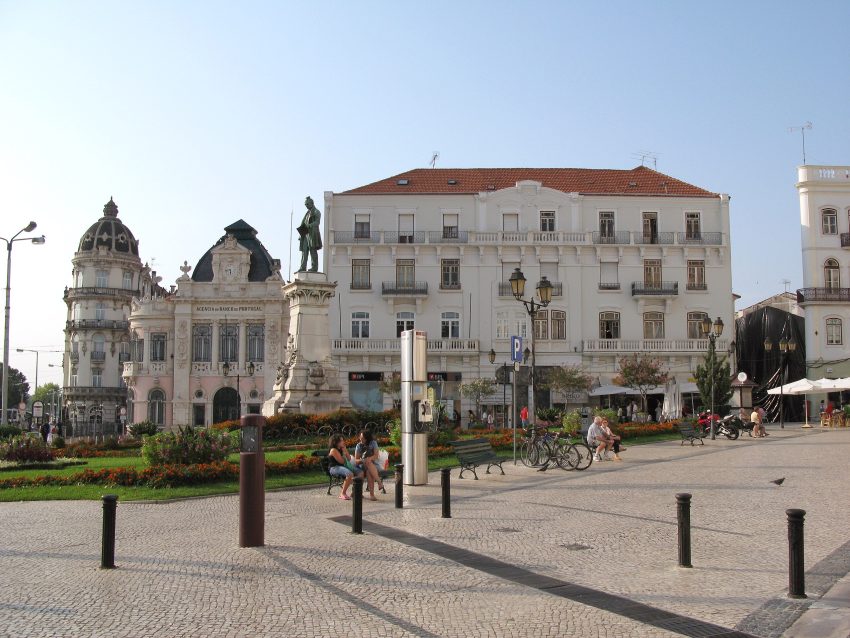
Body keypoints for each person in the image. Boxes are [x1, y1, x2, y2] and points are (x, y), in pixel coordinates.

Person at [327, 434, 362, 501]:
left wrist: (345, 451)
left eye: (343, 440)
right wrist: (343, 453)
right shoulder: (333, 450)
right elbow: (341, 461)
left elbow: (348, 459)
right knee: (350, 474)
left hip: (343, 466)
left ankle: (355, 491)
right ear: (336, 442)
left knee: (360, 472)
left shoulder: (342, 448)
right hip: (334, 468)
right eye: (341, 441)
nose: (343, 442)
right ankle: (342, 493)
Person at [354, 430, 381, 500]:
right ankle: (379, 482)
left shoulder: (373, 443)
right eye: (360, 437)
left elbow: (376, 456)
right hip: (362, 465)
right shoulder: (359, 446)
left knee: (369, 470)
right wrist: (363, 460)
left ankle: (372, 495)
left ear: (367, 438)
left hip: (373, 465)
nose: (361, 439)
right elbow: (356, 460)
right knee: (367, 463)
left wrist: (369, 458)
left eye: (362, 438)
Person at [297, 196, 322, 272]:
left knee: (313, 251)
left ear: (312, 203)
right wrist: (301, 234)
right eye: (305, 204)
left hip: (312, 234)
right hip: (305, 234)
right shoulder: (307, 213)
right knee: (304, 252)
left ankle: (314, 267)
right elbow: (303, 224)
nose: (306, 206)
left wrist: (310, 225)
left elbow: (317, 222)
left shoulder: (316, 212)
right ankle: (302, 267)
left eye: (307, 204)